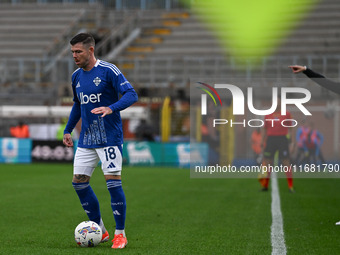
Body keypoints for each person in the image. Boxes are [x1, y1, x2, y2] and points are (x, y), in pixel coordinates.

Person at [63, 33, 138, 249]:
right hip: (86, 139)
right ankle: (100, 230)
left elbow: (131, 95)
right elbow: (78, 105)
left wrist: (111, 107)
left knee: (112, 183)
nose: (75, 56)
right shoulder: (76, 76)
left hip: (109, 139)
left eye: (78, 52)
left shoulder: (108, 70)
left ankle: (120, 234)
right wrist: (68, 129)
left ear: (91, 50)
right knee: (78, 182)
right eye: (72, 52)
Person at [260, 98, 295, 193]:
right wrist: (262, 141)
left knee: (286, 162)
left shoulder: (287, 114)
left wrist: (292, 142)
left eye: (278, 101)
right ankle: (265, 185)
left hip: (282, 139)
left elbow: (291, 128)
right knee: (267, 162)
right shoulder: (267, 115)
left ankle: (290, 186)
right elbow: (264, 129)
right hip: (270, 140)